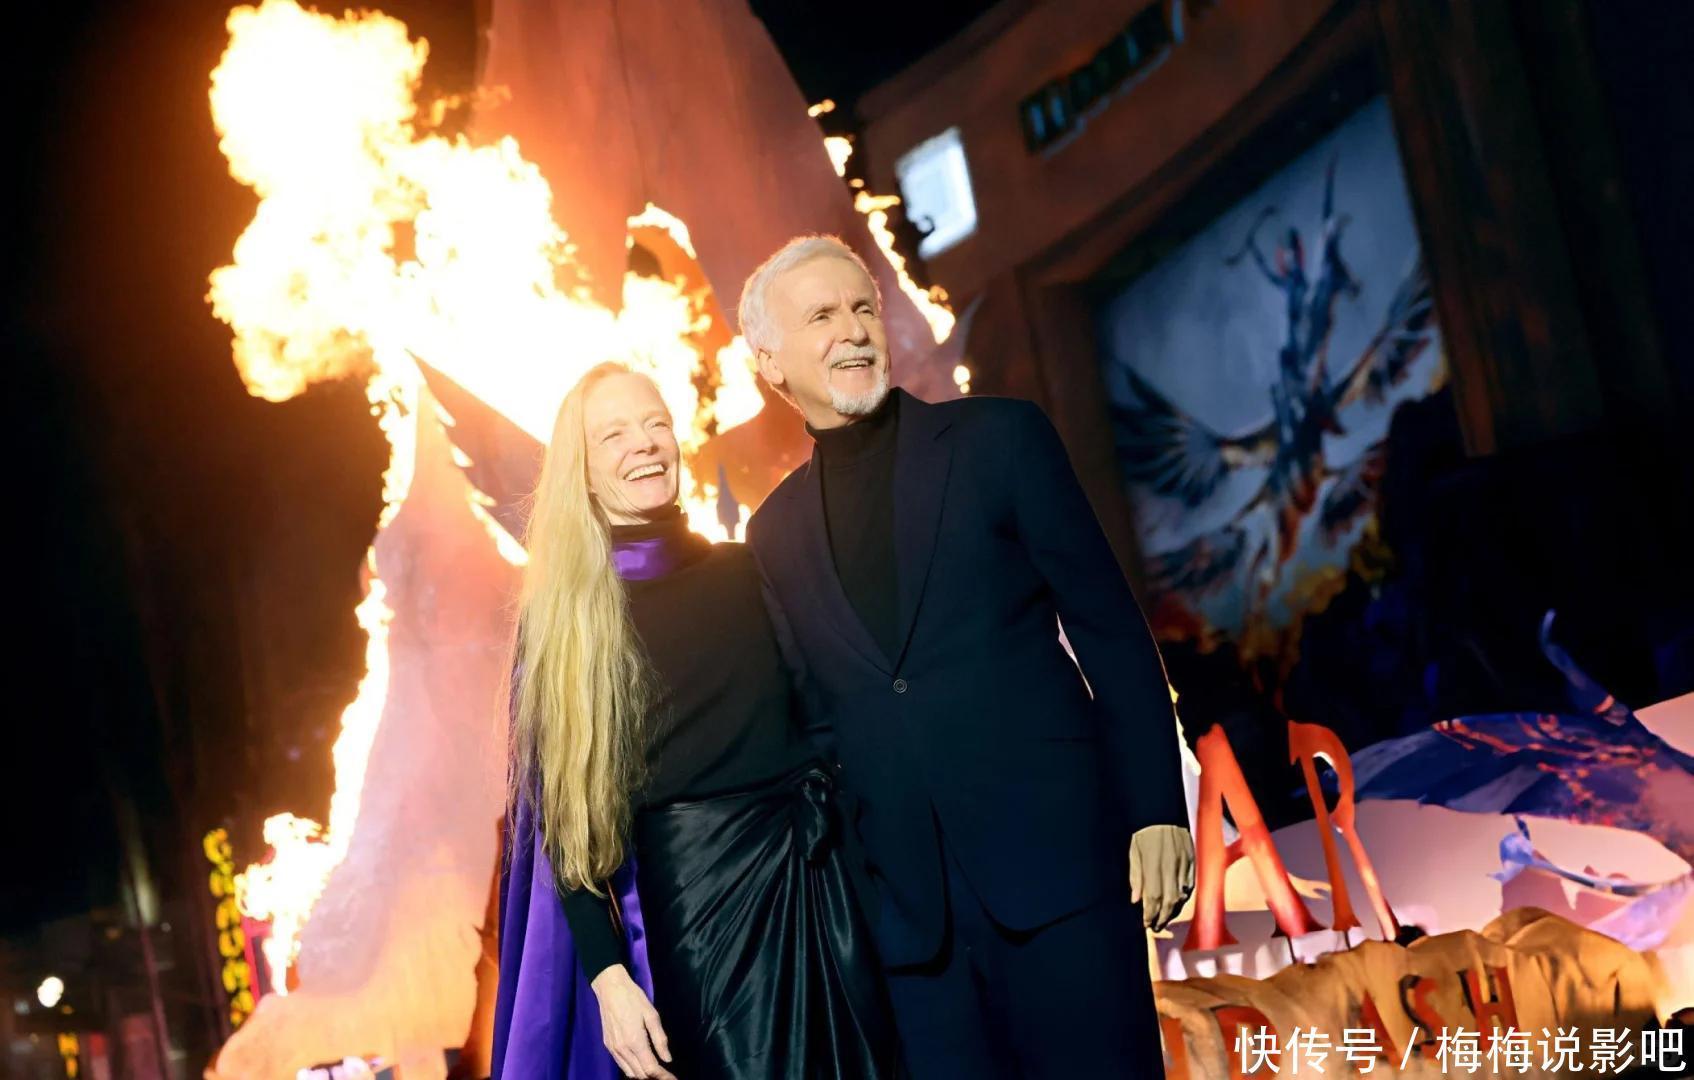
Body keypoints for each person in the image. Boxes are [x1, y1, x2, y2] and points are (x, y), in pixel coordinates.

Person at [739, 235, 1196, 1077]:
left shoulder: (1000, 437)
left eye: (863, 307)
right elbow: (817, 727)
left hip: (1059, 874)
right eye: (822, 316)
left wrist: (1157, 809)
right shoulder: (772, 534)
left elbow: (1109, 627)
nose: (854, 329)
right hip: (913, 932)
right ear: (769, 363)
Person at [492, 363, 897, 1079]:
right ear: (582, 474)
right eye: (614, 435)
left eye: (656, 425)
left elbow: (823, 721)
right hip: (703, 918)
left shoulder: (749, 569)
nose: (645, 444)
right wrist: (610, 979)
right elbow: (566, 826)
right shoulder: (566, 622)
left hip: (825, 874)